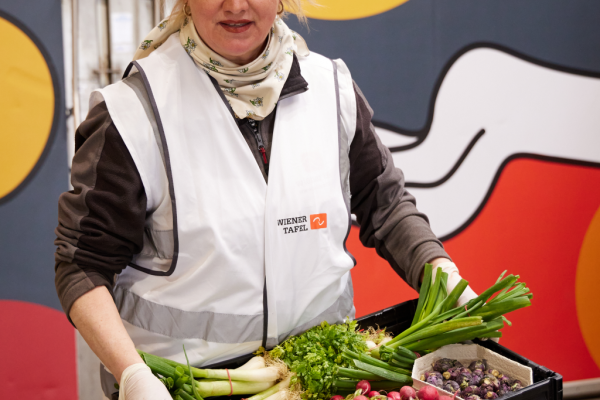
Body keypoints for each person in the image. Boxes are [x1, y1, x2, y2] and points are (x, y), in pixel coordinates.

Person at [54, 1, 477, 398]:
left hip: (321, 378)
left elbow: (384, 203)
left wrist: (441, 274)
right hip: (186, 385)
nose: (236, 6)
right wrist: (133, 375)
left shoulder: (331, 89)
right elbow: (81, 265)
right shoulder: (133, 113)